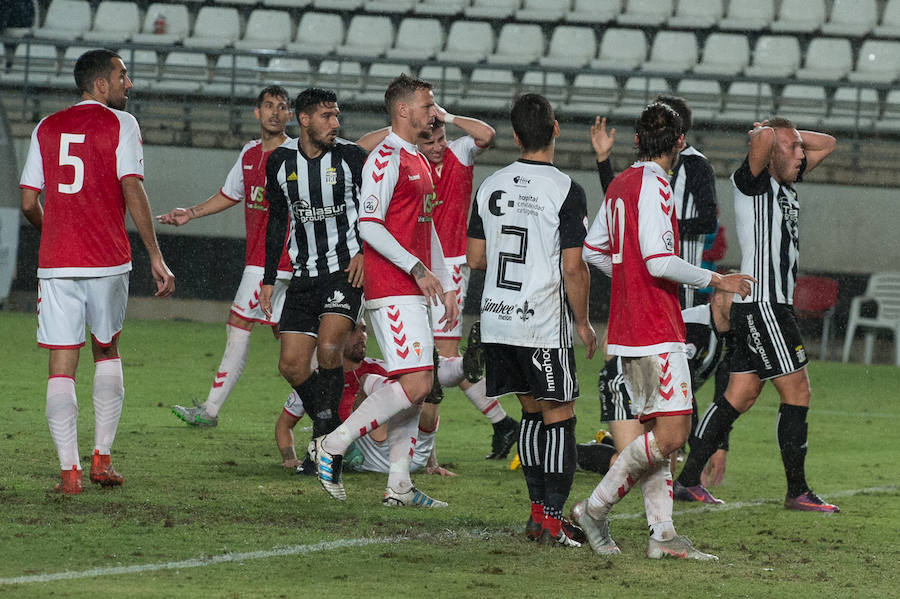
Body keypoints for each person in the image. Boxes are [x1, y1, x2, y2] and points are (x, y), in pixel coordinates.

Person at [575, 102, 753, 559]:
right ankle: (594, 509)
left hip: (631, 327)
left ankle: (663, 534)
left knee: (658, 437)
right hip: (656, 326)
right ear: (679, 142)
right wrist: (717, 279)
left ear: (635, 141)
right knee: (673, 437)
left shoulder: (619, 184)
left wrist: (629, 279)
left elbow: (595, 251)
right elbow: (658, 259)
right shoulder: (657, 184)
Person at [19, 49, 175, 494]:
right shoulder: (122, 124)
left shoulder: (46, 126)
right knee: (106, 351)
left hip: (57, 264)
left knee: (60, 366)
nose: (129, 83)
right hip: (107, 260)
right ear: (101, 84)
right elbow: (132, 188)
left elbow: (29, 202)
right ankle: (102, 459)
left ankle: (69, 474)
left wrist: (58, 232)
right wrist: (155, 255)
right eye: (123, 75)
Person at [673, 118, 839, 513]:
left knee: (740, 394)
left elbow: (828, 144)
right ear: (772, 153)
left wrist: (789, 135)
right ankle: (797, 490)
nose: (803, 154)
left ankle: (687, 480)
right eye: (794, 148)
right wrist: (769, 133)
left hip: (764, 306)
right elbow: (764, 139)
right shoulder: (752, 184)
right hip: (765, 305)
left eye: (801, 148)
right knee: (798, 392)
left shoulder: (785, 184)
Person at [308, 74, 458, 507]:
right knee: (416, 384)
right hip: (392, 286)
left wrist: (444, 283)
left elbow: (426, 231)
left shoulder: (420, 159)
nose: (435, 112)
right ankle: (332, 444)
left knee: (418, 384)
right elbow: (369, 225)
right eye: (428, 105)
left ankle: (400, 485)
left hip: (416, 287)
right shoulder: (386, 158)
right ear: (403, 111)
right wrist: (416, 269)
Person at [467, 93, 597, 547]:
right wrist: (582, 322)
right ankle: (555, 519)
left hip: (499, 317)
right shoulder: (566, 189)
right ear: (556, 129)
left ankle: (537, 513)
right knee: (559, 416)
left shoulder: (491, 185)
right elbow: (574, 267)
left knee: (528, 414)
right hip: (541, 320)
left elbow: (476, 258)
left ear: (517, 135)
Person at [259, 88, 388, 457]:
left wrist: (364, 251)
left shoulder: (352, 158)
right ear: (304, 120)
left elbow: (376, 211)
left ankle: (324, 447)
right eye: (327, 116)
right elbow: (277, 221)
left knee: (330, 346)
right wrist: (269, 280)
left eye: (336, 116)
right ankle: (334, 432)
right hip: (303, 276)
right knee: (292, 364)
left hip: (344, 272)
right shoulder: (280, 163)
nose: (335, 123)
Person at [157, 85, 294, 428]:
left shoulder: (297, 153)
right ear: (257, 113)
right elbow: (230, 194)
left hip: (275, 261)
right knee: (294, 345)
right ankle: (335, 416)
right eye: (268, 106)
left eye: (281, 107)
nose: (275, 112)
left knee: (239, 325)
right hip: (279, 264)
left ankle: (211, 410)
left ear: (290, 115)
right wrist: (191, 212)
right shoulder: (249, 154)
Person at [419, 110, 519, 460]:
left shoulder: (459, 151)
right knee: (428, 361)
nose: (436, 147)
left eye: (440, 139)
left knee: (435, 365)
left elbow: (488, 134)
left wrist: (447, 116)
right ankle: (503, 422)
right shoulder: (406, 159)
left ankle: (423, 457)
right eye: (428, 141)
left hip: (448, 270)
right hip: (414, 266)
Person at [581, 286, 736, 502]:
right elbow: (685, 393)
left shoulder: (730, 334)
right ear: (717, 298)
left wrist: (720, 446)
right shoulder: (694, 326)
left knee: (663, 472)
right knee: (636, 467)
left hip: (658, 391)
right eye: (734, 296)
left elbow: (725, 394)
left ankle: (610, 443)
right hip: (628, 375)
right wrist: (698, 456)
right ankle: (575, 453)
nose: (742, 304)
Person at [276, 320, 455, 479]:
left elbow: (417, 418)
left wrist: (432, 463)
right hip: (363, 452)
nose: (361, 336)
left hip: (402, 447)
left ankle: (437, 383)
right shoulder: (317, 382)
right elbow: (284, 424)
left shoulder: (383, 368)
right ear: (336, 335)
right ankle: (451, 369)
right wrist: (289, 458)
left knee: (413, 392)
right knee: (378, 387)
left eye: (364, 329)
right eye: (354, 330)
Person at [655, 95, 719, 309]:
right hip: (649, 271)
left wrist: (666, 228)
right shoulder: (648, 163)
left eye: (656, 122)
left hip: (682, 278)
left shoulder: (696, 165)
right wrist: (603, 160)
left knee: (680, 340)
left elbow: (709, 221)